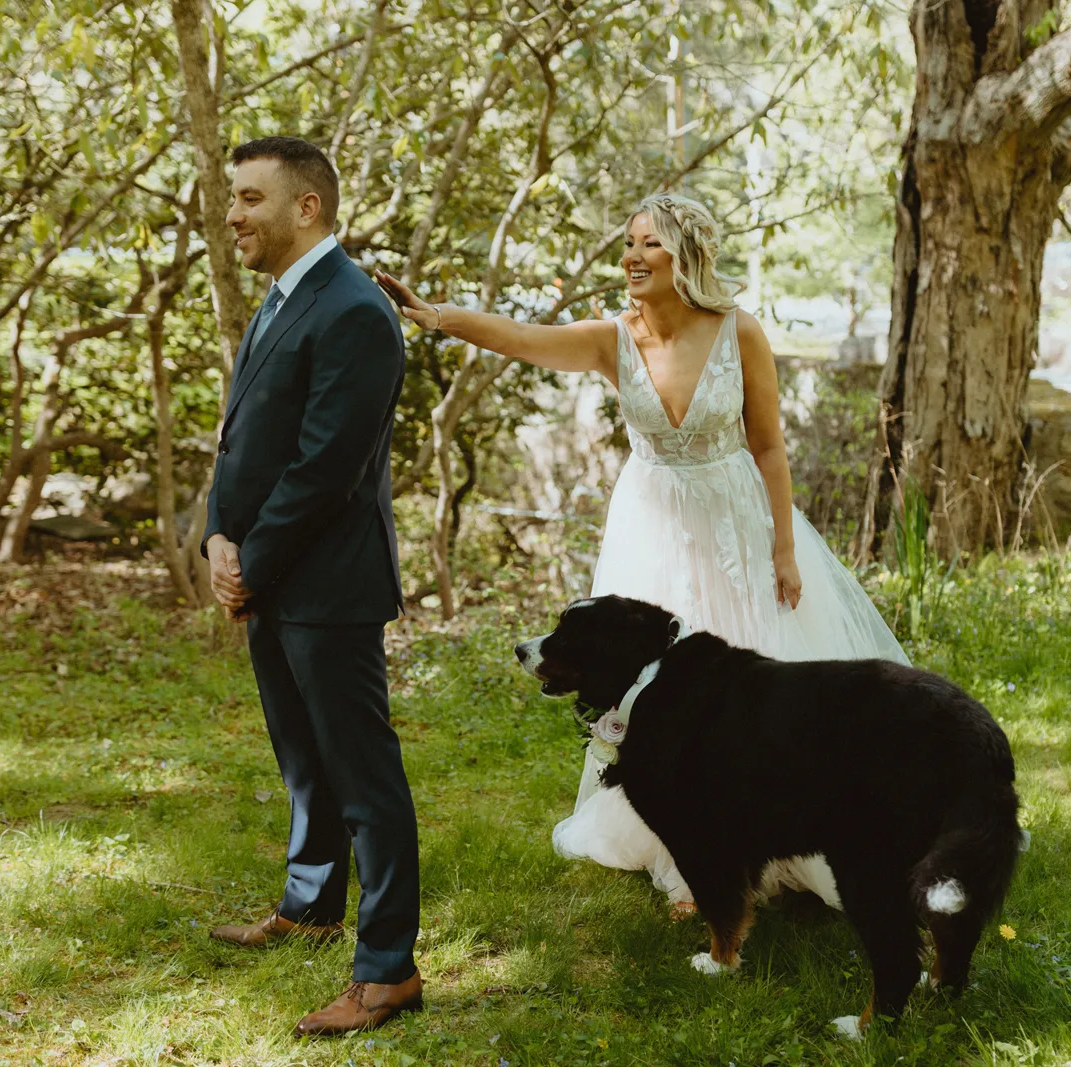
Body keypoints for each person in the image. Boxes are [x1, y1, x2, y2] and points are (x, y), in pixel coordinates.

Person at [377, 193, 908, 914]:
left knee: (754, 684)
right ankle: (683, 856)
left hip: (734, 522)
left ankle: (782, 839)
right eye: (629, 243)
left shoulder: (738, 331)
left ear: (686, 254)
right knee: (656, 699)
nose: (632, 256)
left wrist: (784, 546)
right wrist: (439, 317)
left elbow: (771, 446)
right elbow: (523, 336)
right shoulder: (612, 338)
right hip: (653, 523)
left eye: (650, 244)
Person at [201, 136, 421, 1036]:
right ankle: (312, 902)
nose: (233, 215)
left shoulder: (357, 310)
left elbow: (326, 467)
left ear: (308, 208)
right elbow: (239, 436)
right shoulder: (281, 299)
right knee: (303, 762)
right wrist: (218, 531)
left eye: (250, 198)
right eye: (232, 199)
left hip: (326, 583)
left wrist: (252, 557)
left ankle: (387, 971)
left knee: (363, 779)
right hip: (264, 571)